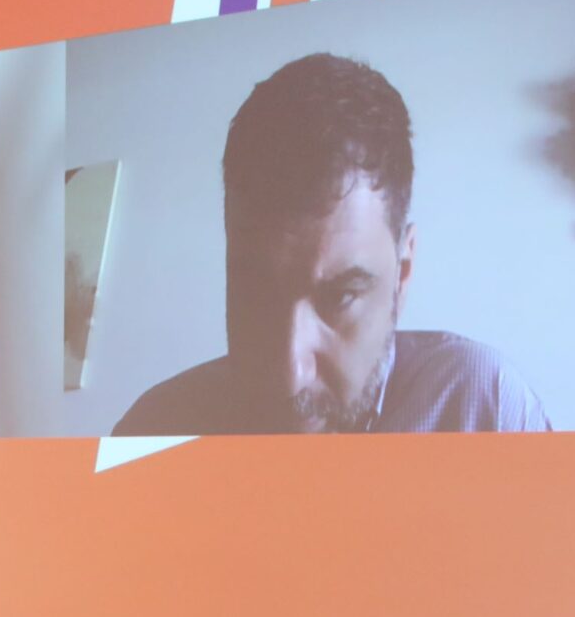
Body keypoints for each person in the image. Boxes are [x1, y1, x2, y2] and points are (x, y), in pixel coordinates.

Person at [113, 53, 549, 435]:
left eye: (339, 297)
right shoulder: (154, 432)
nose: (290, 376)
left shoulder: (484, 408)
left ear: (403, 272)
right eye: (256, 292)